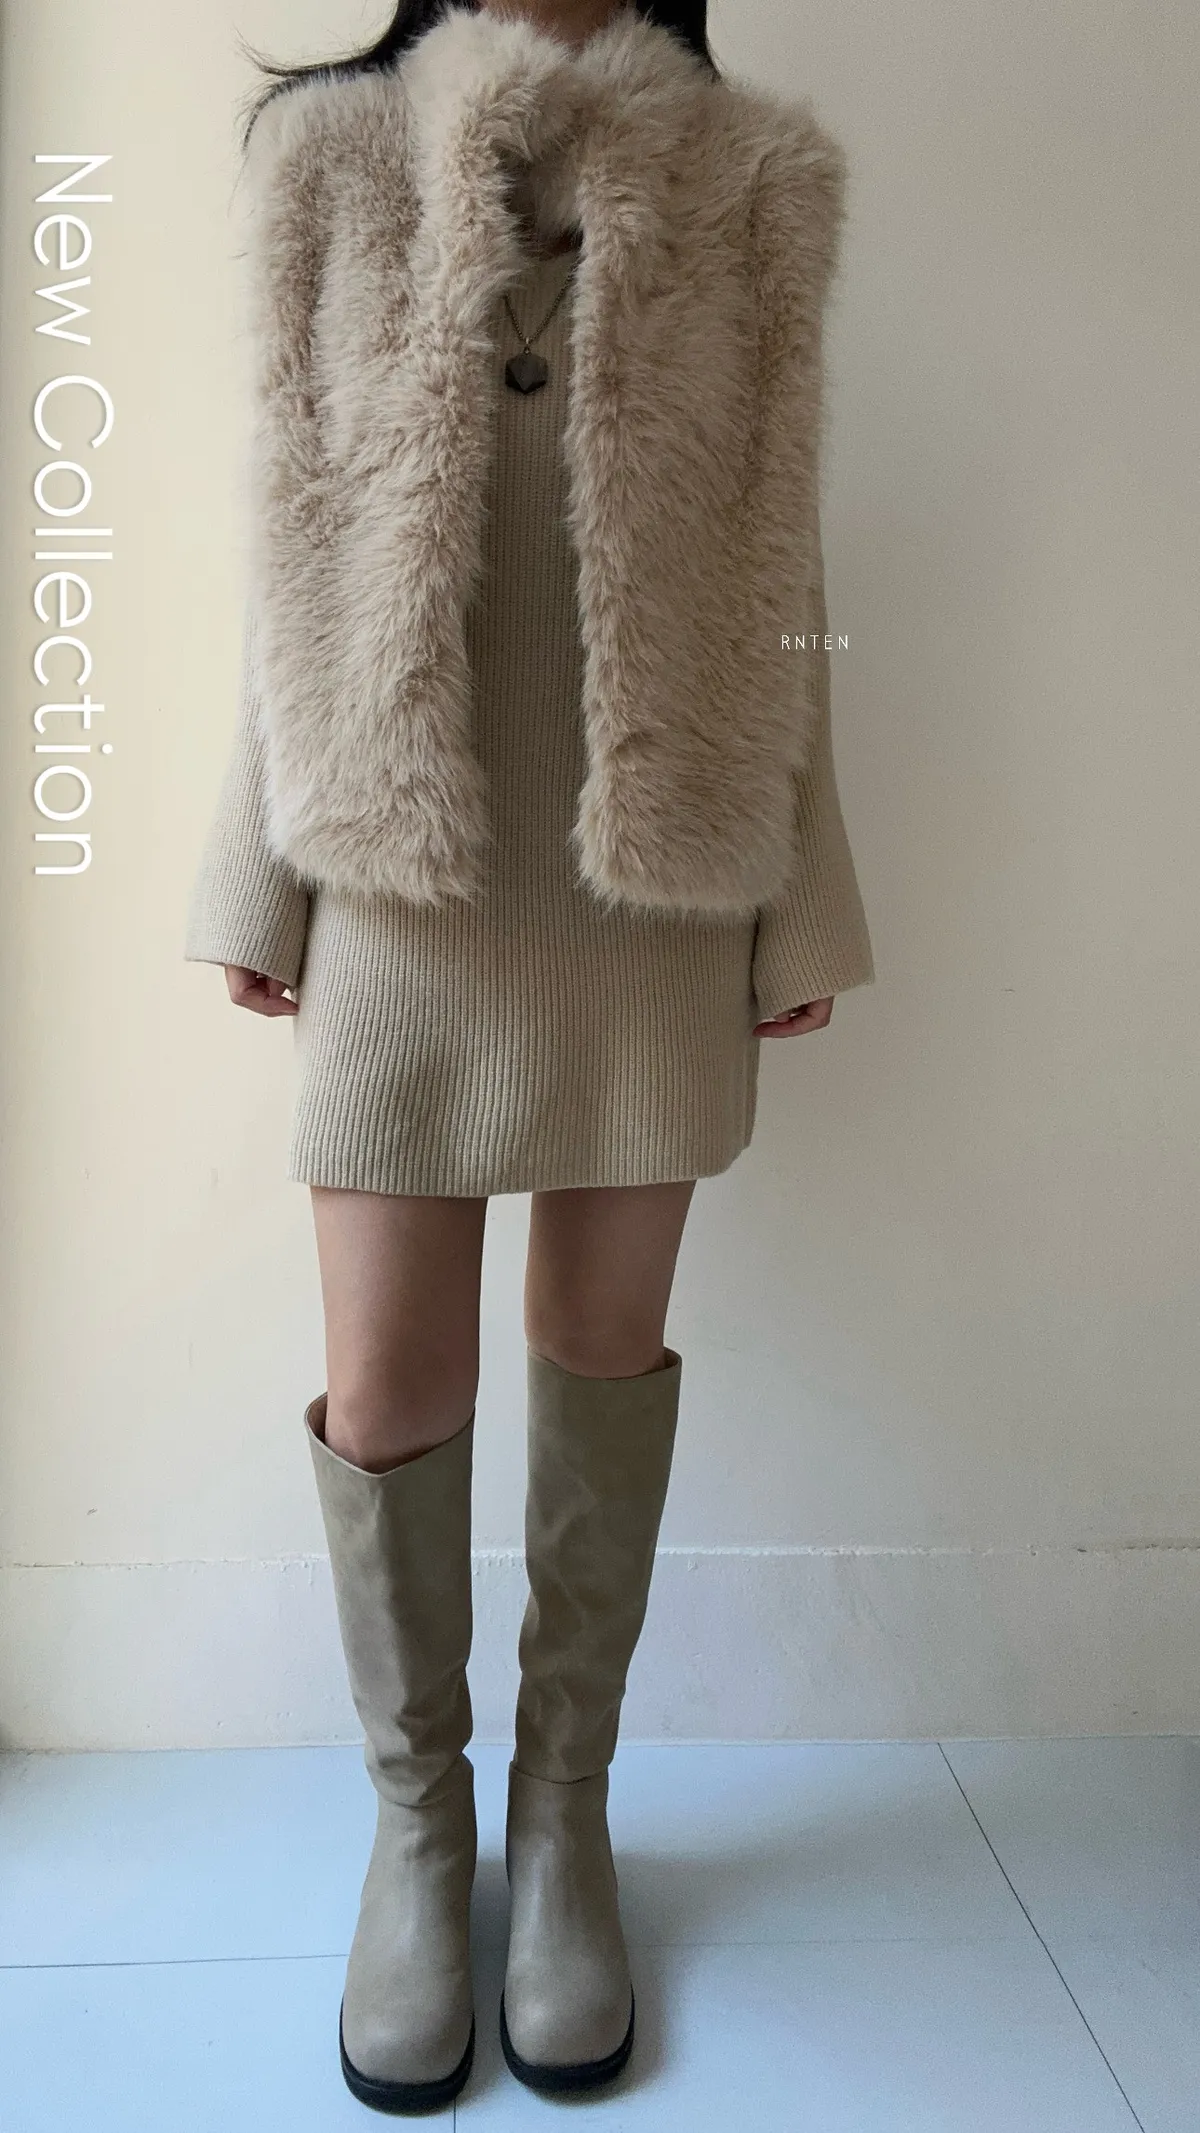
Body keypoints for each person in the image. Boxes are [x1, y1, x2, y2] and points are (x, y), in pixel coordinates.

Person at [184, 0, 874, 2109]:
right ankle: (421, 1831)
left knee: (598, 1348)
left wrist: (806, 890)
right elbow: (298, 543)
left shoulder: (753, 185)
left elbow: (778, 580)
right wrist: (254, 872)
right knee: (391, 1383)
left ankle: (565, 1815)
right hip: (405, 865)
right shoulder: (333, 160)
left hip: (647, 873)